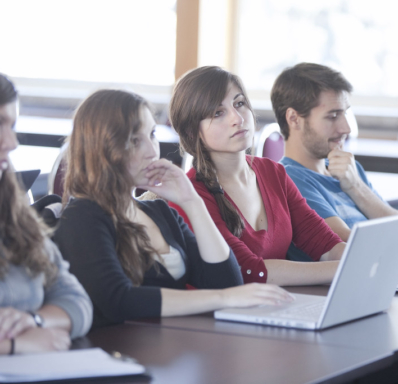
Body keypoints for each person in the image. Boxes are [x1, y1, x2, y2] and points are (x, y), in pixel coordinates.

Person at [54, 89, 293, 329]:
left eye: (152, 134)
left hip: (174, 348)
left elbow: (227, 282)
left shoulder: (159, 212)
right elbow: (119, 301)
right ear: (101, 148)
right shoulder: (83, 215)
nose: (152, 150)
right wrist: (222, 298)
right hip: (119, 355)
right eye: (135, 141)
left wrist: (192, 202)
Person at [169, 66, 345, 286]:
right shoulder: (190, 195)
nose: (237, 118)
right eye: (217, 113)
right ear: (191, 132)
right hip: (213, 316)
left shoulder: (274, 172)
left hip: (273, 307)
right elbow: (247, 271)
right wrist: (344, 268)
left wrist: (363, 260)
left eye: (239, 103)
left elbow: (324, 243)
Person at [270, 62, 398, 265]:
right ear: (294, 119)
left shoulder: (350, 171)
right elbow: (347, 248)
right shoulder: (288, 180)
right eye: (332, 116)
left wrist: (357, 187)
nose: (346, 128)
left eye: (345, 113)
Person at [0, 73, 93, 355]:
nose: (11, 141)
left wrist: (34, 320)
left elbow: (76, 300)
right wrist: (12, 345)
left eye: (12, 125)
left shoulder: (13, 214)